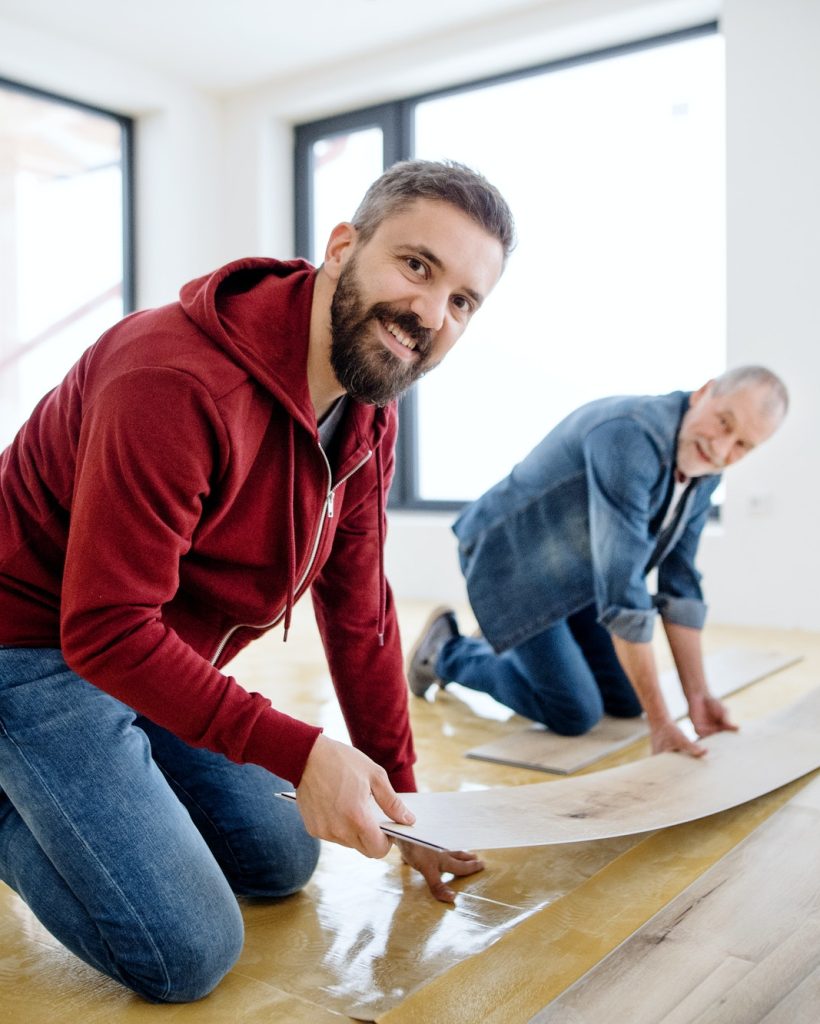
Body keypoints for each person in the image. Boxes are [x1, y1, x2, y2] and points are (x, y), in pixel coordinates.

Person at [0, 159, 514, 1002]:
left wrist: (405, 803)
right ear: (343, 247)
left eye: (463, 300)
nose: (431, 313)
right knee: (187, 952)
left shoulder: (367, 408)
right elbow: (102, 629)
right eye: (418, 266)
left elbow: (359, 613)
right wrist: (303, 748)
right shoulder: (171, 379)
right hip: (30, 646)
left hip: (142, 651)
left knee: (281, 859)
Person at [407, 367, 788, 758]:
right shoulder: (629, 437)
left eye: (743, 445)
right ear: (704, 392)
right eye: (724, 423)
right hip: (512, 568)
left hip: (576, 576)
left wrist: (700, 698)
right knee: (575, 711)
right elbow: (624, 594)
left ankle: (504, 638)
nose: (723, 449)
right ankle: (447, 652)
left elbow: (681, 586)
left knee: (626, 701)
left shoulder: (704, 469)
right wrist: (662, 724)